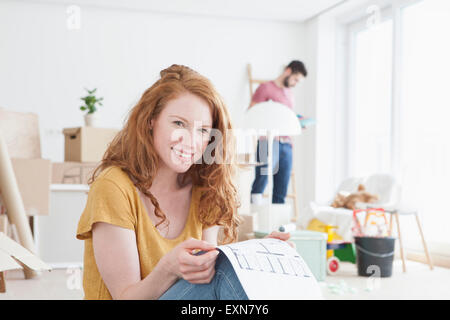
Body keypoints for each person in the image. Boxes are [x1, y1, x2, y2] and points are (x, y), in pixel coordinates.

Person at [76, 64, 291, 300]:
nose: (190, 141)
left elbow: (209, 275)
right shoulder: (114, 186)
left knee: (241, 276)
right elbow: (126, 297)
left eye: (202, 130)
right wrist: (168, 268)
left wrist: (256, 256)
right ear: (151, 120)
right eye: (179, 123)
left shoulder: (205, 187)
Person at [249, 60, 307, 204]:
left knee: (281, 189)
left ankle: (277, 223)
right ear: (288, 71)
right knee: (260, 183)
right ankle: (254, 221)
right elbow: (252, 112)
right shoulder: (265, 88)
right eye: (295, 79)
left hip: (286, 144)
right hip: (267, 142)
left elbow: (288, 116)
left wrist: (298, 122)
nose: (295, 83)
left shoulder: (290, 94)